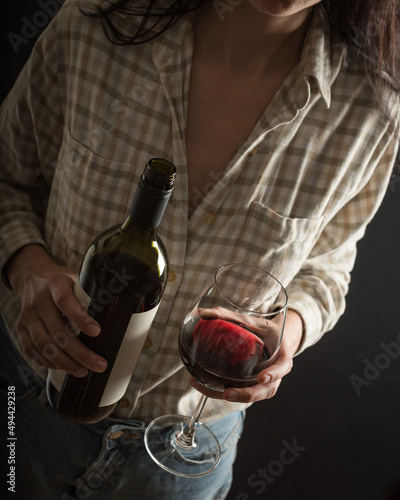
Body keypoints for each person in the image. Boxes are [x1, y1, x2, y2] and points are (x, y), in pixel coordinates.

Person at [0, 0, 399, 498]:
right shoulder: (94, 21)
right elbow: (8, 179)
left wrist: (288, 334)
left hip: (184, 461)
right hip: (27, 406)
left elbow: (327, 271)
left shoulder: (373, 108)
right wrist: (26, 265)